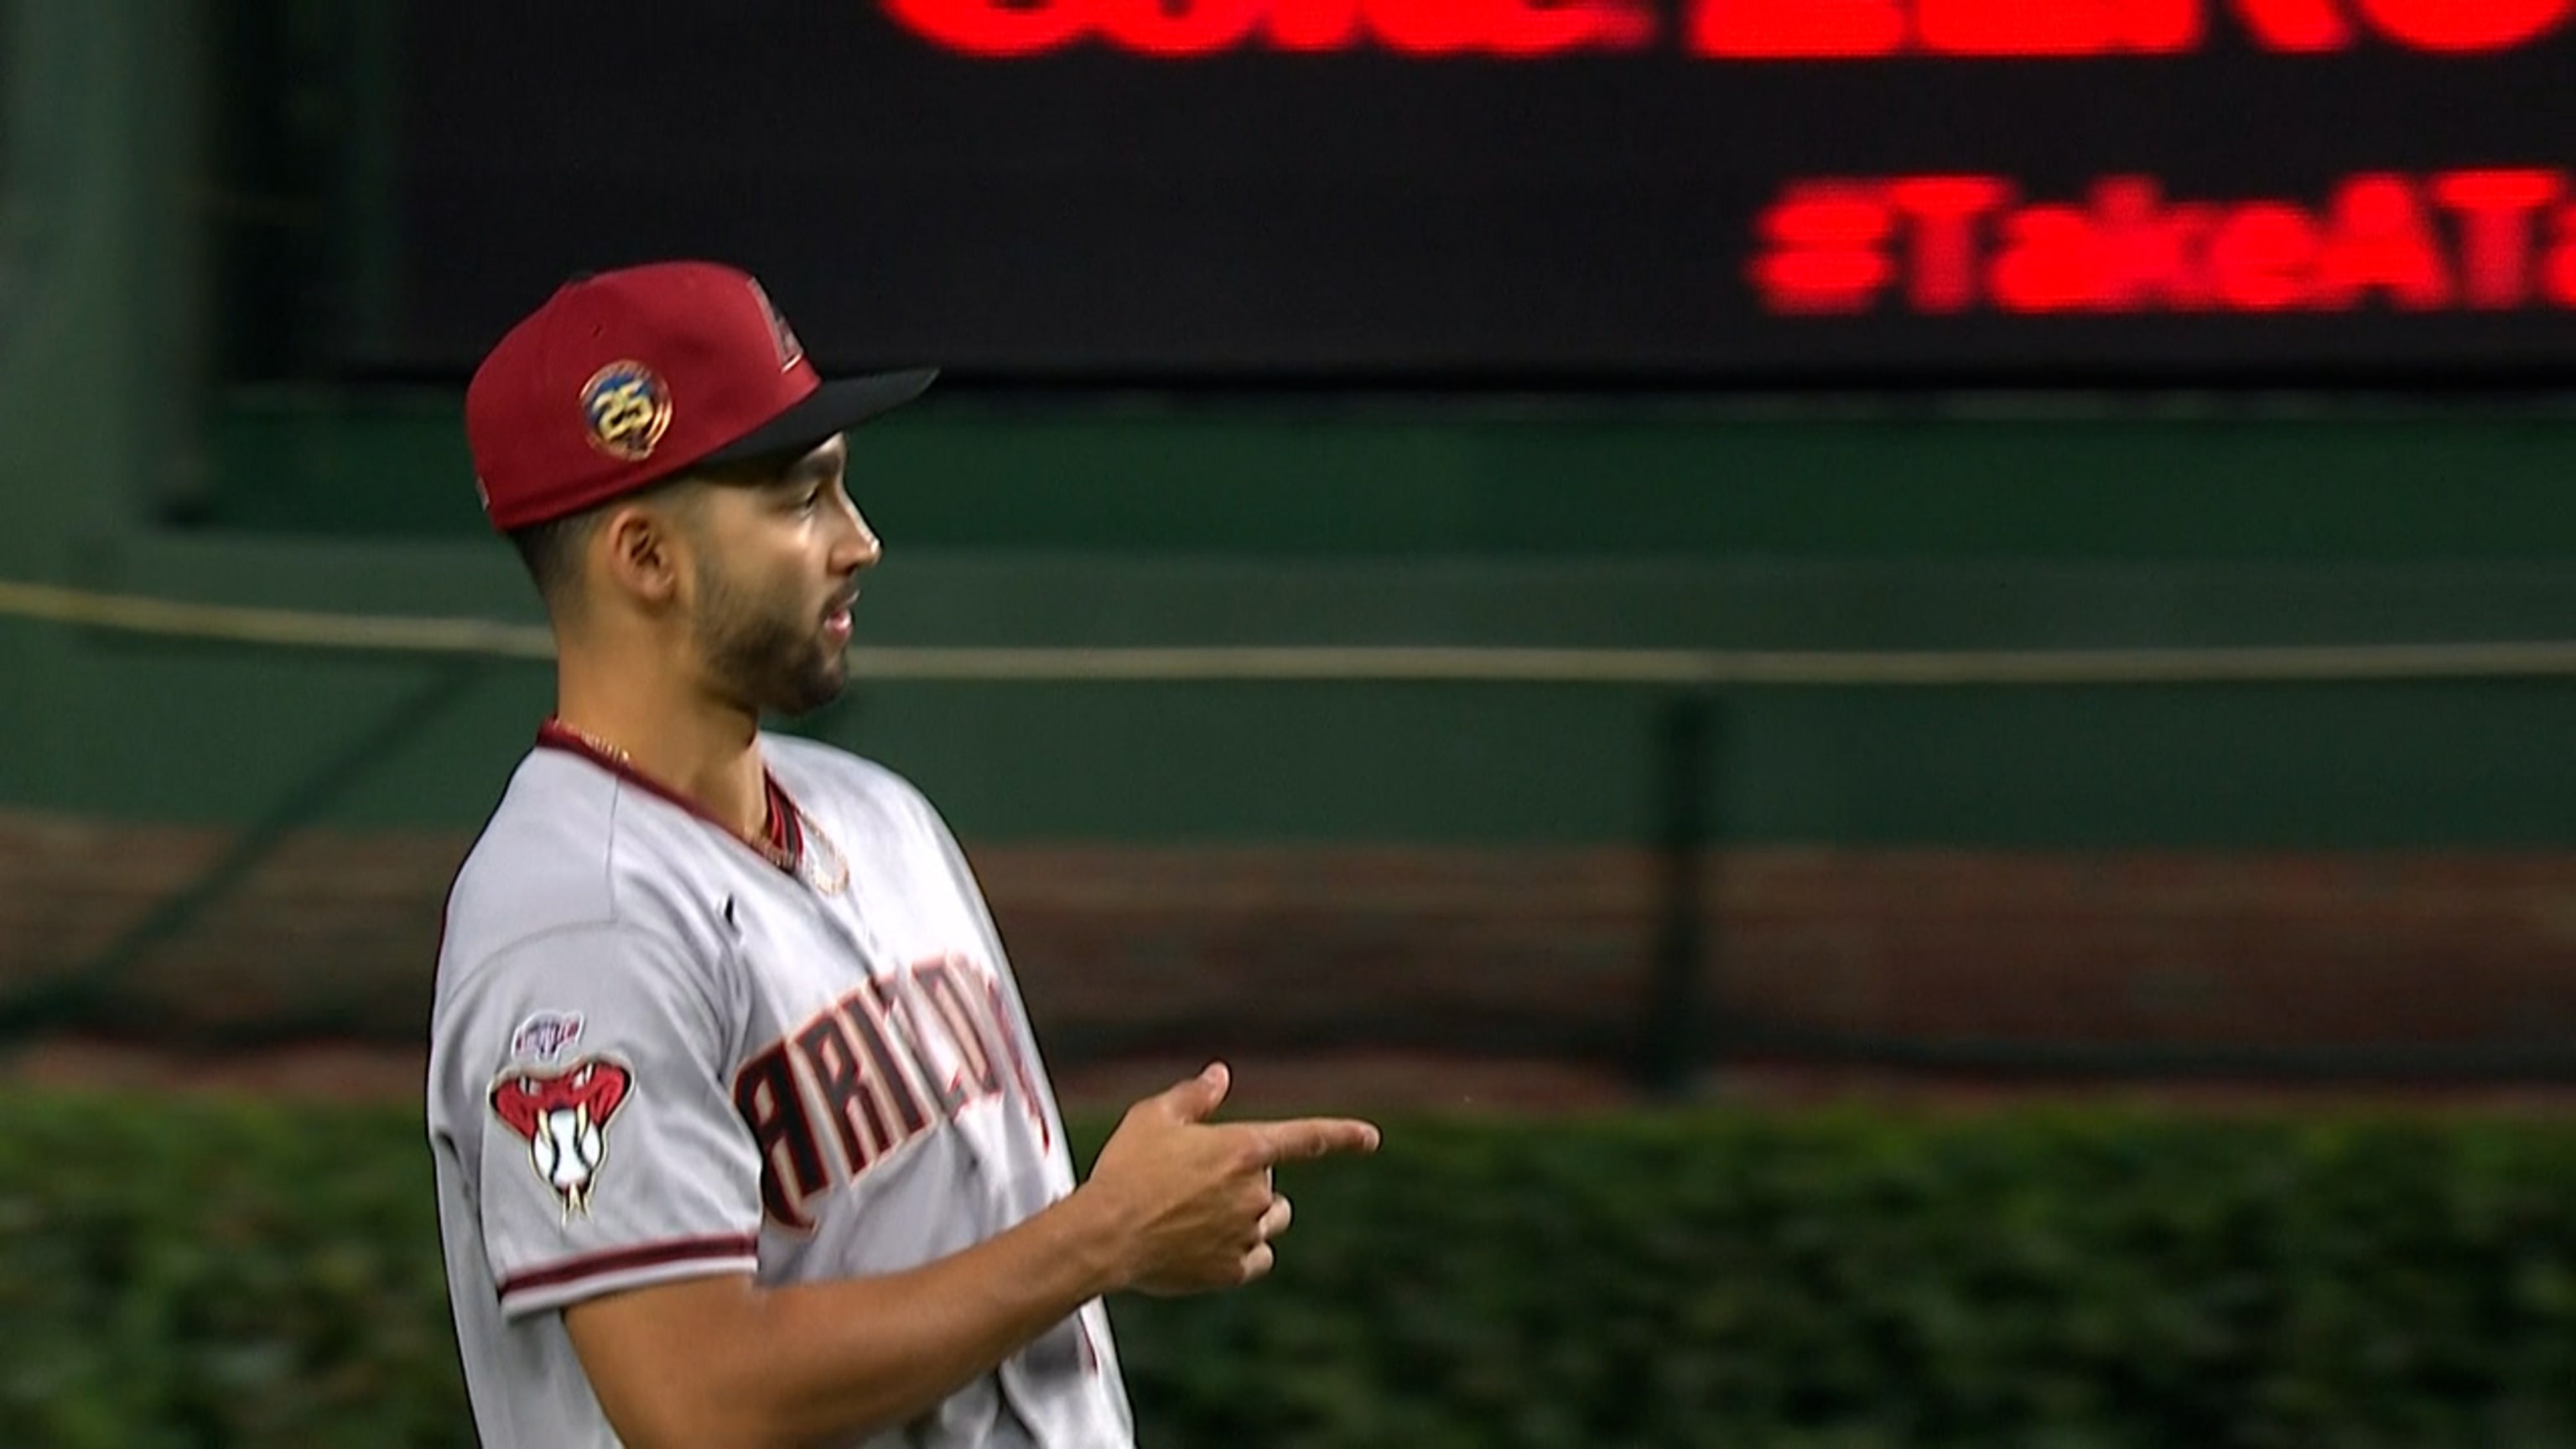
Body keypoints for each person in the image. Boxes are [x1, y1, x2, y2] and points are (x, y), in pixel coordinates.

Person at [425, 260, 1381, 1449]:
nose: (859, 542)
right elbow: (697, 1402)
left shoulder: (880, 819)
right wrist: (1102, 1235)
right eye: (800, 499)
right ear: (645, 559)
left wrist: (1115, 1234)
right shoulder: (580, 926)